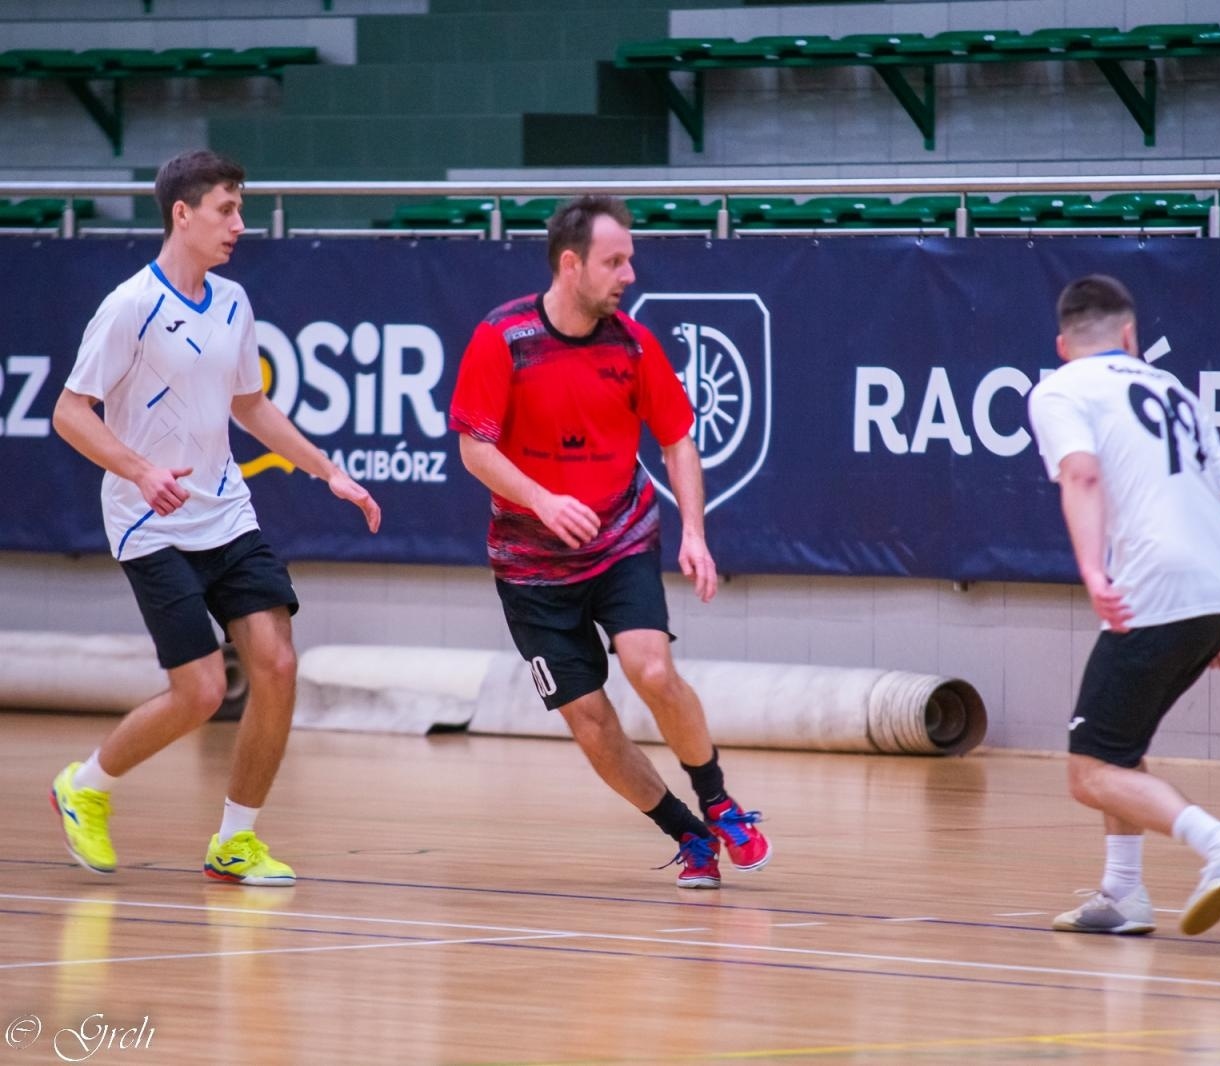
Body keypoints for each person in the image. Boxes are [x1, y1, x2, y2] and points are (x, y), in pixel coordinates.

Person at [49, 149, 381, 886]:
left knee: (278, 665)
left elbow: (250, 406)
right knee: (200, 690)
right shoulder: (130, 305)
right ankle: (85, 787)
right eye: (226, 209)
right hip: (149, 520)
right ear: (182, 214)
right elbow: (71, 412)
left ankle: (236, 840)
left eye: (240, 208)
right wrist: (139, 470)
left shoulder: (232, 301)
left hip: (226, 512)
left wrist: (329, 472)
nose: (240, 223)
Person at [449, 195, 770, 889]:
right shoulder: (500, 337)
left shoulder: (633, 343)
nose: (629, 272)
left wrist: (695, 533)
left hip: (620, 538)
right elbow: (475, 447)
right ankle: (687, 834)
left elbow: (678, 439)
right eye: (614, 260)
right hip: (529, 567)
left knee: (650, 669)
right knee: (591, 721)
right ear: (571, 264)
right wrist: (539, 499)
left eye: (629, 258)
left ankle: (717, 800)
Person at [1027, 274, 1220, 937]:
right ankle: (1122, 894)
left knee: (1089, 772)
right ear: (1130, 336)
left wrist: (1090, 568)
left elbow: (1081, 475)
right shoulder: (1176, 390)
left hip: (1154, 588)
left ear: (1062, 343)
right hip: (1217, 586)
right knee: (1119, 746)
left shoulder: (1059, 389)